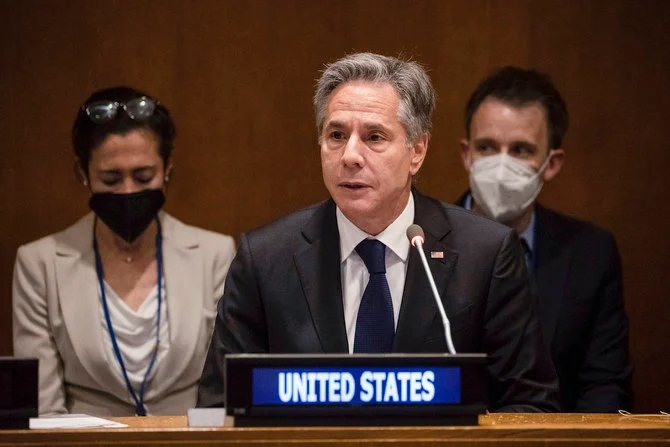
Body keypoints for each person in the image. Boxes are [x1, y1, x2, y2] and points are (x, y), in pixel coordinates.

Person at [198, 53, 559, 412]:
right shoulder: (264, 259)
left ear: (417, 150)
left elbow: (529, 406)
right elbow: (221, 406)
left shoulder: (486, 253)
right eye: (336, 135)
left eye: (374, 137)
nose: (350, 155)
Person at [12, 86, 236, 416]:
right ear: (83, 175)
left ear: (167, 170)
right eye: (111, 179)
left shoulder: (215, 254)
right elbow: (44, 408)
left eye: (144, 176)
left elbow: (224, 391)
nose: (128, 191)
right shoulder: (39, 263)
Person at [457, 66, 633, 412]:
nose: (501, 164)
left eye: (521, 150)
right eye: (487, 147)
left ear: (551, 164)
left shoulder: (591, 254)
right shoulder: (418, 241)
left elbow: (605, 386)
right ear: (467, 154)